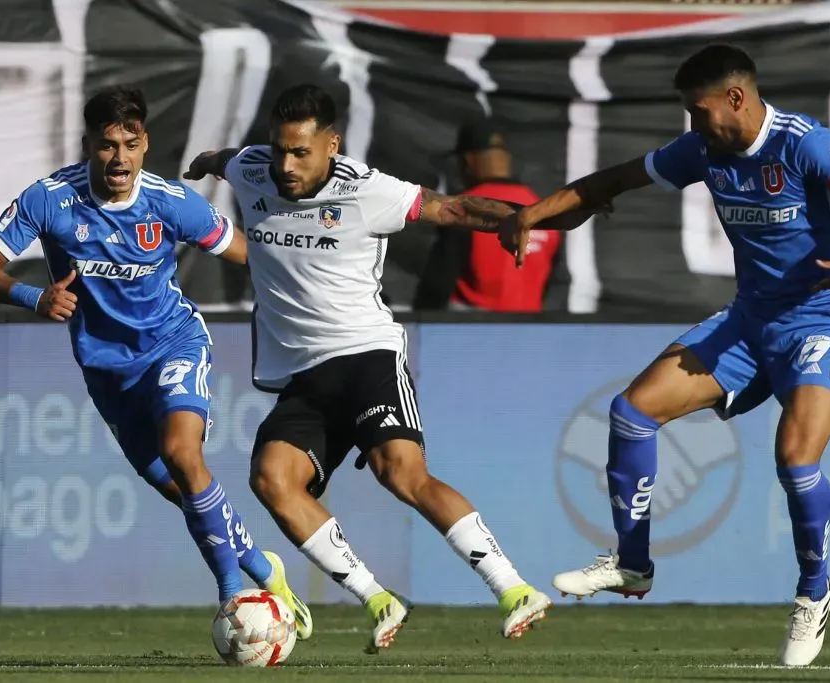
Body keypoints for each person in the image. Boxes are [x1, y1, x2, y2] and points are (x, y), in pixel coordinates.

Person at [501, 44, 830, 667]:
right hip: (749, 318)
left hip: (823, 315)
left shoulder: (805, 143)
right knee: (630, 412)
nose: (693, 127)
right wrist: (533, 214)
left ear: (736, 99)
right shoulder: (701, 149)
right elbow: (610, 181)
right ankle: (633, 564)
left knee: (795, 458)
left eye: (699, 112)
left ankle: (813, 591)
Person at [183, 84, 598, 654]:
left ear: (333, 145)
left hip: (366, 356)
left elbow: (454, 207)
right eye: (279, 149)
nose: (285, 164)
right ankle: (378, 598)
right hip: (304, 376)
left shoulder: (368, 190)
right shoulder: (254, 168)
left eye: (300, 152)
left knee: (400, 473)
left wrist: (527, 219)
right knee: (272, 480)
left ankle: (514, 588)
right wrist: (208, 161)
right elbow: (225, 160)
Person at [0, 85, 313, 639]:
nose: (119, 157)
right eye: (107, 145)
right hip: (108, 373)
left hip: (174, 343)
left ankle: (233, 597)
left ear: (145, 143)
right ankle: (263, 567)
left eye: (130, 143)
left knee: (181, 452)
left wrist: (307, 275)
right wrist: (34, 296)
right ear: (89, 146)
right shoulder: (49, 199)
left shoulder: (171, 202)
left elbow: (247, 253)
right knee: (182, 490)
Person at [414, 120, 561, 312]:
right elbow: (546, 285)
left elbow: (437, 286)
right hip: (528, 335)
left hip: (472, 334)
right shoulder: (545, 212)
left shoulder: (462, 208)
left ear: (467, 161)